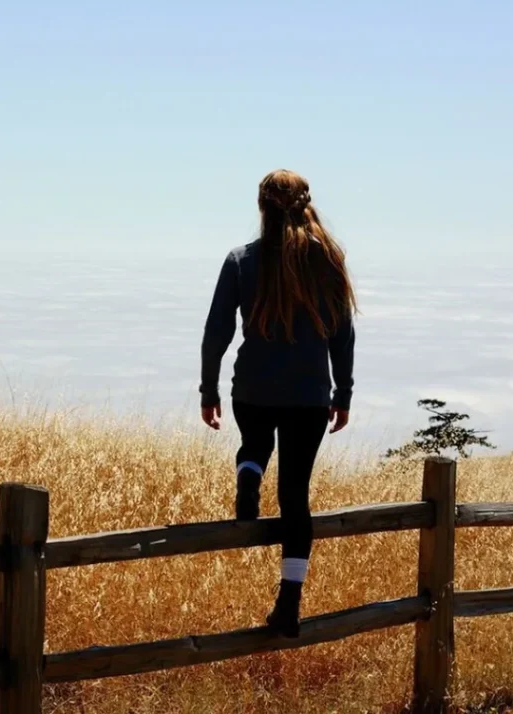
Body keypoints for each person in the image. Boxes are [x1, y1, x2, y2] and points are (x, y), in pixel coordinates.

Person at [199, 169, 357, 637]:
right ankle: (288, 604)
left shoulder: (241, 260)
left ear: (261, 207)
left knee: (253, 444)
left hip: (252, 388)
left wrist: (208, 390)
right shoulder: (327, 258)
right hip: (309, 396)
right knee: (295, 497)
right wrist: (342, 393)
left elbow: (216, 332)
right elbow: (343, 334)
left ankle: (248, 476)